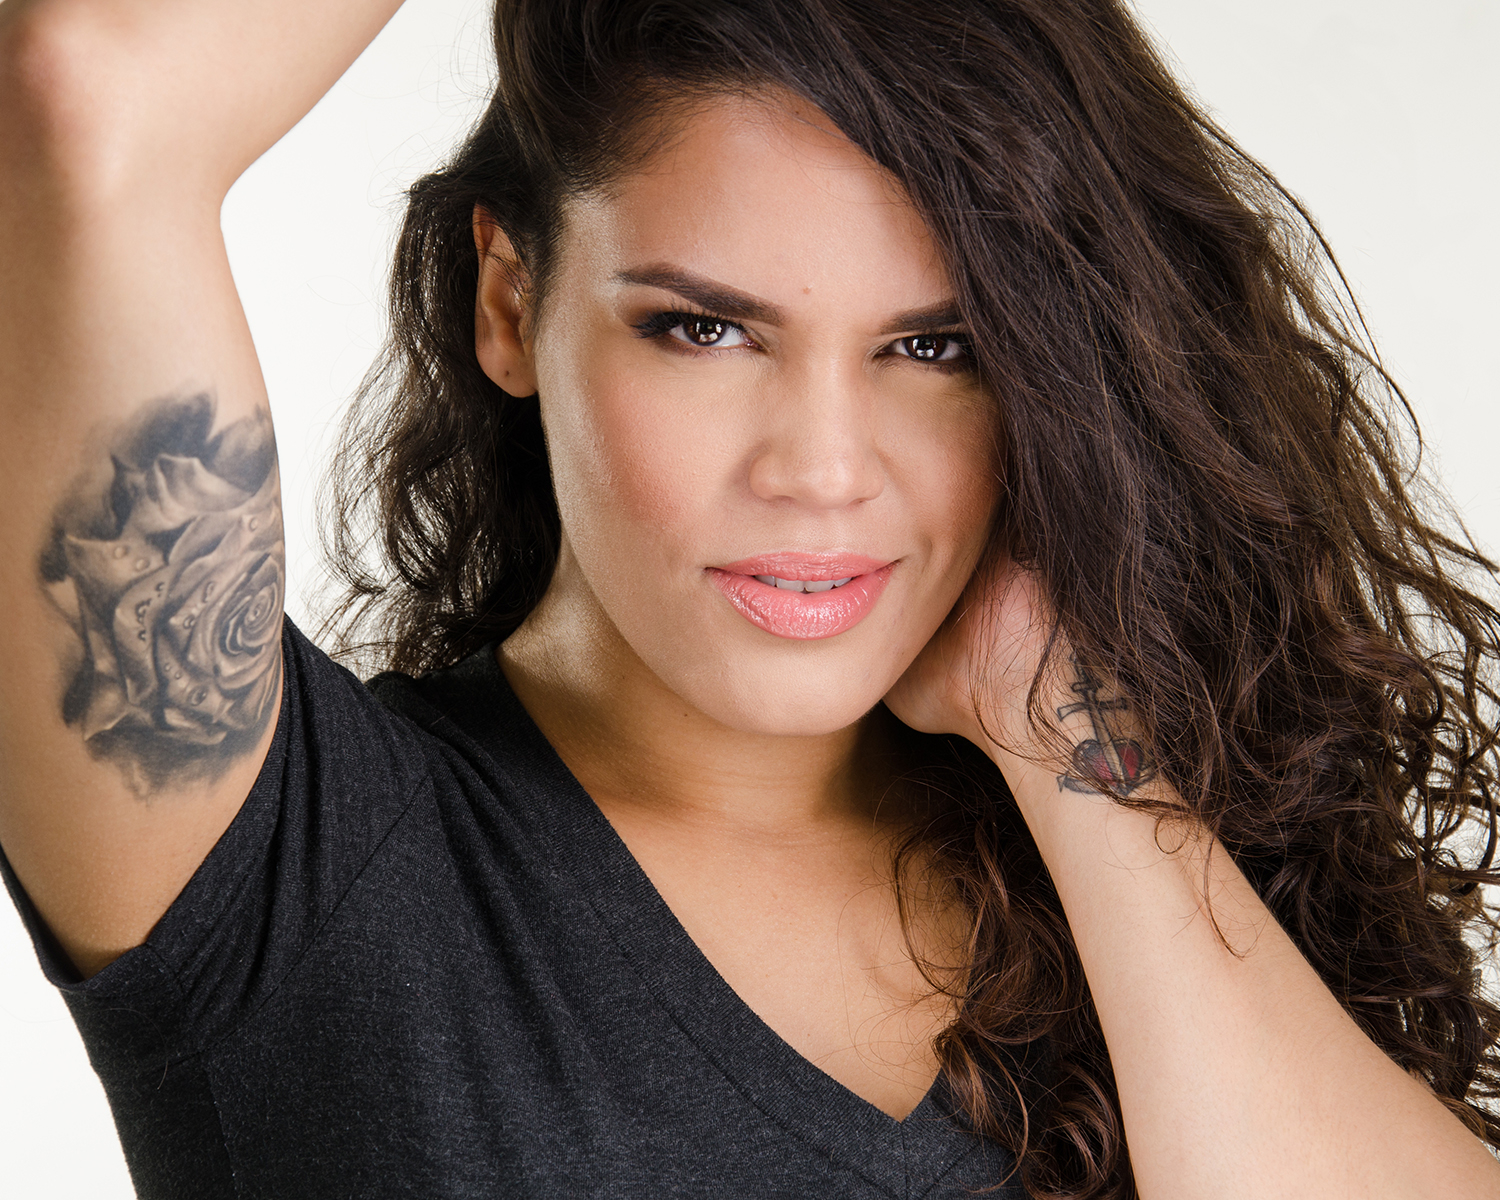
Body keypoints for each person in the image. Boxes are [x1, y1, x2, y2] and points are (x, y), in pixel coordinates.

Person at [1, 0, 1497, 1196]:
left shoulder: (1121, 859)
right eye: (705, 329)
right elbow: (85, 100)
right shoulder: (279, 868)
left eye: (936, 348)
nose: (824, 472)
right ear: (509, 300)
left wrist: (1066, 736)